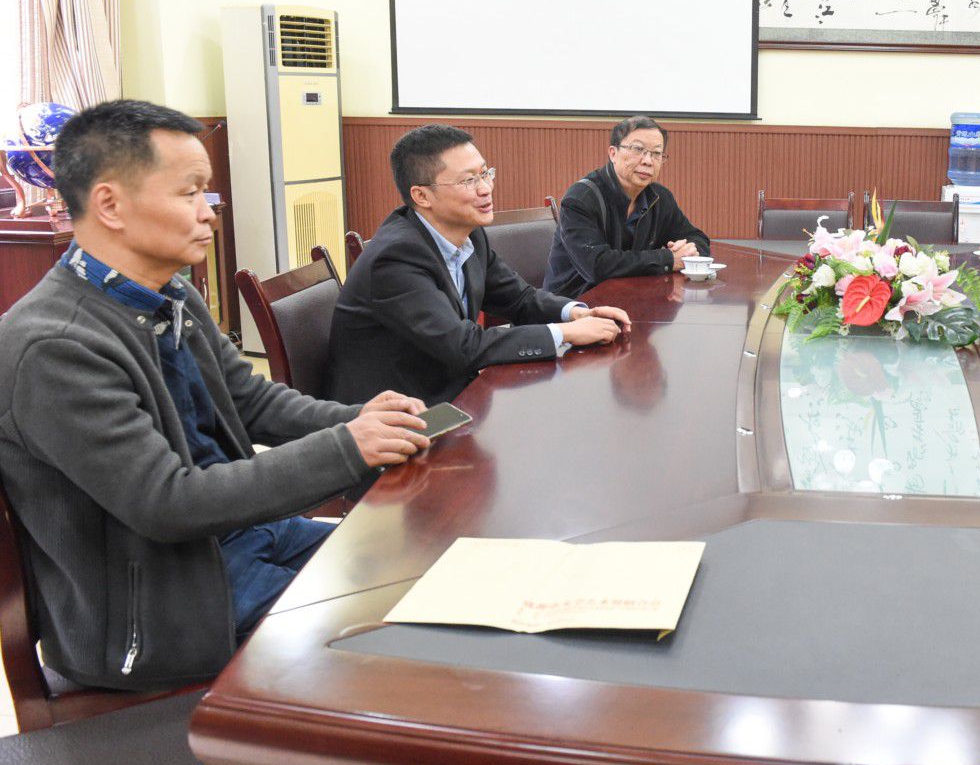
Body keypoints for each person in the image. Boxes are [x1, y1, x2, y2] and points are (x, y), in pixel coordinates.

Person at [0, 99, 432, 691]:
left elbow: (253, 404)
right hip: (163, 609)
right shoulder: (53, 346)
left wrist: (364, 420)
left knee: (425, 562)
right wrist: (348, 447)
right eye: (189, 192)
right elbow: (168, 503)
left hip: (239, 541)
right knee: (415, 632)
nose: (208, 212)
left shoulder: (169, 293)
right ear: (109, 204)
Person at [327, 124, 630, 407]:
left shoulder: (469, 235)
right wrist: (566, 333)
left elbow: (520, 298)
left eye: (486, 174)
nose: (485, 189)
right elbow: (462, 346)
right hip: (401, 417)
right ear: (421, 195)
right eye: (469, 180)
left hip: (455, 396)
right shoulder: (395, 258)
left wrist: (577, 312)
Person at [545, 116, 712, 298]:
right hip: (574, 307)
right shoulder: (581, 199)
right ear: (613, 153)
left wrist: (688, 250)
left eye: (656, 153)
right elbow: (597, 266)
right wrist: (668, 259)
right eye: (638, 149)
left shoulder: (659, 197)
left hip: (631, 301)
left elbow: (697, 238)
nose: (648, 161)